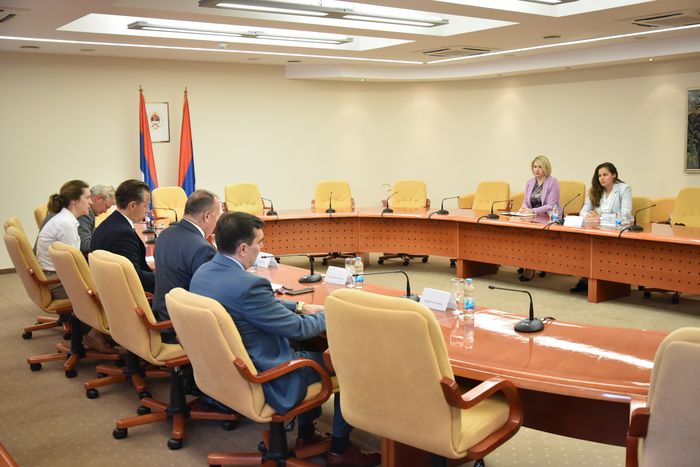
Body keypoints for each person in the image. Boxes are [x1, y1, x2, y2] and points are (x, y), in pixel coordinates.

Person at [190, 212, 380, 467]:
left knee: (309, 347)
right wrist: (333, 312)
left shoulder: (203, 273)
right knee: (348, 363)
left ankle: (306, 434)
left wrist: (300, 306)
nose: (262, 247)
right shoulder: (249, 286)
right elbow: (299, 329)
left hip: (227, 373)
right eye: (260, 242)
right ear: (243, 248)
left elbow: (253, 307)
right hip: (269, 376)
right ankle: (340, 450)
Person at [35, 179, 114, 352]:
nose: (91, 202)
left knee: (106, 283)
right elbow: (73, 267)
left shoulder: (66, 219)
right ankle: (94, 334)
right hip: (56, 282)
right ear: (74, 201)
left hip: (53, 276)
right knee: (112, 290)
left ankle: (98, 330)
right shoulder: (67, 224)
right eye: (87, 198)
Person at [152, 189, 222, 342]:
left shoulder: (165, 234)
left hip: (160, 317)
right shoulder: (203, 249)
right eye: (217, 216)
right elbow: (209, 298)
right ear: (207, 216)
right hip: (180, 327)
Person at [570, 162, 632, 293]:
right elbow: (583, 211)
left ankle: (605, 282)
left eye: (605, 174)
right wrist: (588, 216)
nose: (602, 178)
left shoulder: (624, 189)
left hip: (618, 230)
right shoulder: (596, 190)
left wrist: (601, 218)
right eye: (599, 176)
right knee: (586, 246)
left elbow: (625, 214)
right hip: (598, 229)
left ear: (614, 175)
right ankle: (586, 280)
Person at [90, 179, 155, 293]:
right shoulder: (123, 233)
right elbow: (135, 277)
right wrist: (164, 276)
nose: (148, 210)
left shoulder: (107, 224)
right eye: (146, 205)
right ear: (133, 205)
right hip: (126, 295)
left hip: (108, 290)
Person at [518, 155, 561, 281]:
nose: (537, 169)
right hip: (532, 217)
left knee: (532, 237)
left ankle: (530, 268)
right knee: (522, 234)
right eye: (535, 167)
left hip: (549, 217)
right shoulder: (530, 182)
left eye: (540, 167)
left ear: (546, 168)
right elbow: (526, 200)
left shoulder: (553, 181)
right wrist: (524, 208)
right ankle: (526, 262)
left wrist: (533, 211)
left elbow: (551, 205)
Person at [77, 185, 115, 253]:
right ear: (99, 198)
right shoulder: (86, 213)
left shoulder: (89, 213)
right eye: (106, 207)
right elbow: (85, 246)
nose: (105, 211)